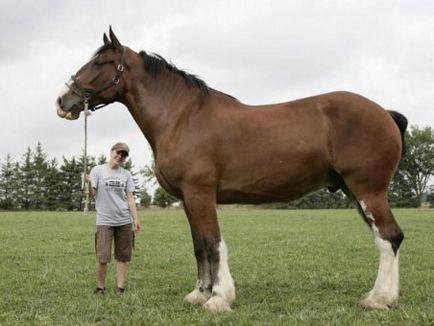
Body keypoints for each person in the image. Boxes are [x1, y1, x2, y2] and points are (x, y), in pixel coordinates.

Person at [88, 142, 141, 295]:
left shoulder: (126, 174)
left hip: (124, 220)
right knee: (102, 256)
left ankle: (120, 287)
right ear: (111, 151)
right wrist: (89, 183)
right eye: (118, 153)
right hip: (104, 220)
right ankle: (100, 287)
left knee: (123, 256)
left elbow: (130, 198)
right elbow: (92, 193)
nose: (120, 156)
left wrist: (135, 218)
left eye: (123, 155)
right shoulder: (97, 170)